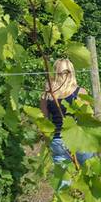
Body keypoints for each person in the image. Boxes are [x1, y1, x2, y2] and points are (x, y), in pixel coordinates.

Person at [39, 58, 95, 188]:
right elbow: (88, 120)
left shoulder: (47, 95)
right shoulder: (80, 92)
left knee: (63, 183)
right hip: (80, 140)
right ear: (72, 72)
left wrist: (48, 141)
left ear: (55, 72)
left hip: (58, 140)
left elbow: (44, 122)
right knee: (89, 180)